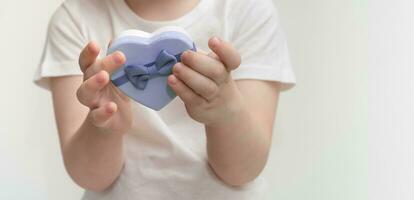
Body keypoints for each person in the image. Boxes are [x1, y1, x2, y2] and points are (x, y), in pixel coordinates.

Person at [33, 0, 295, 199]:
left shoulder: (248, 11)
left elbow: (242, 171)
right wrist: (105, 126)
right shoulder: (74, 18)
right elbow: (90, 177)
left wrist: (225, 112)